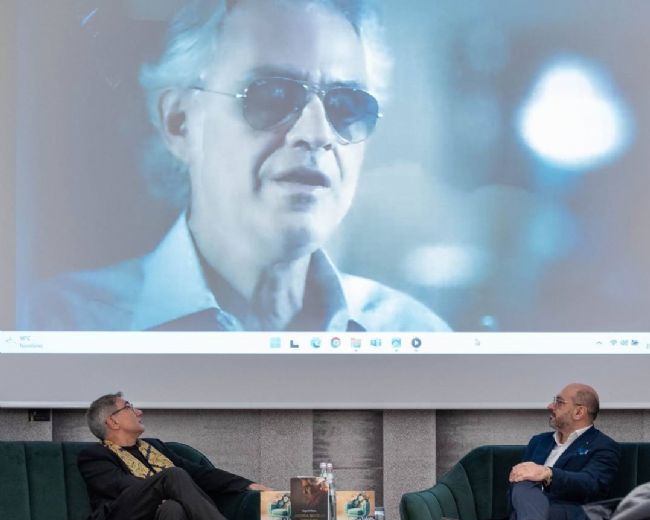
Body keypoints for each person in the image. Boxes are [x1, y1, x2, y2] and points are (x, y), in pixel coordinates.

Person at [19, 0, 450, 333]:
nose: (316, 133)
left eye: (346, 104)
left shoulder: (415, 333)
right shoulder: (56, 323)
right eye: (273, 94)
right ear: (180, 122)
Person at [77, 392, 286, 520]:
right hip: (125, 516)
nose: (139, 412)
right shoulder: (94, 456)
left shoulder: (155, 446)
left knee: (173, 509)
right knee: (173, 476)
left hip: (163, 515)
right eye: (129, 407)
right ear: (113, 422)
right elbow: (123, 487)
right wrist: (164, 489)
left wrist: (247, 485)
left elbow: (199, 473)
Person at [508, 383, 621, 520]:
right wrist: (528, 475)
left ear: (579, 412)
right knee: (522, 484)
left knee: (521, 518)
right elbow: (517, 482)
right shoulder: (539, 441)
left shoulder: (603, 446)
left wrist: (548, 473)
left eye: (558, 402)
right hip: (529, 504)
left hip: (570, 513)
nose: (550, 406)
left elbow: (591, 484)